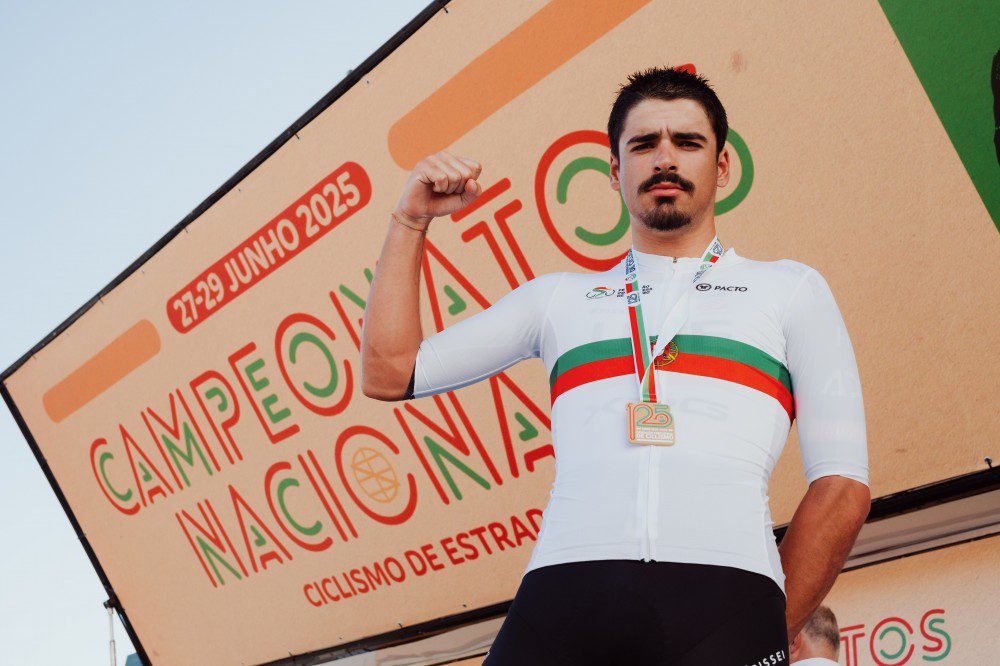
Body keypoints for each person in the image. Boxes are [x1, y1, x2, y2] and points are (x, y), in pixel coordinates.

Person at [360, 66, 870, 665]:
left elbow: (842, 485)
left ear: (723, 167)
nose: (665, 159)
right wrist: (410, 219)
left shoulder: (790, 290)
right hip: (564, 596)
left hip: (728, 603)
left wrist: (763, 627)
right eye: (643, 144)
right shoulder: (558, 299)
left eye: (687, 142)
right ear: (613, 170)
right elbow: (390, 372)